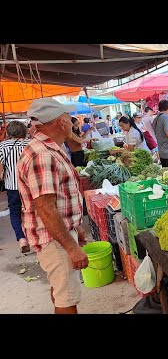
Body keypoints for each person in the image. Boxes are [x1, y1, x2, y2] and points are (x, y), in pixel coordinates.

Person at [17, 98, 89, 314]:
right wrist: (71, 247)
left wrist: (75, 227)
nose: (70, 120)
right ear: (60, 123)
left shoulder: (48, 148)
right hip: (53, 239)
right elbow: (46, 209)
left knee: (60, 290)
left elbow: (57, 200)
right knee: (66, 297)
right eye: (68, 117)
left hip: (57, 233)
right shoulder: (43, 155)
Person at [0, 121, 30, 253]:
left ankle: (22, 238)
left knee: (15, 212)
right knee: (34, 210)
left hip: (12, 186)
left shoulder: (2, 146)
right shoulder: (30, 144)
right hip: (31, 185)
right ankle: (37, 237)